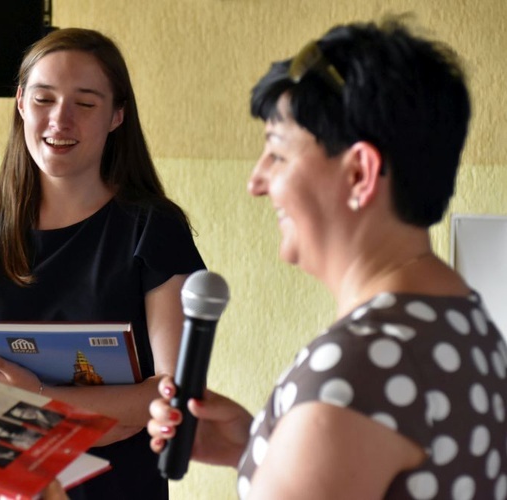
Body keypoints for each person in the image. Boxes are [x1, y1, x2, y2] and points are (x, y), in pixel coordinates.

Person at [147, 17, 507, 500]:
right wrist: (258, 446)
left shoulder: (361, 372)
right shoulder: (465, 323)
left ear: (360, 173)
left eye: (276, 153)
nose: (257, 182)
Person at [0, 27, 206, 500]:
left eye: (85, 104)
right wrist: (103, 416)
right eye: (45, 99)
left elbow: (171, 397)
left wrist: (38, 399)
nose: (60, 120)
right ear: (21, 103)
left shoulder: (153, 227)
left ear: (117, 116)